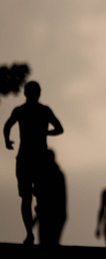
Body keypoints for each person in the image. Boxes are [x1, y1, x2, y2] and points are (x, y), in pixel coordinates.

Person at [3, 81, 64, 245]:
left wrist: (7, 141)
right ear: (38, 94)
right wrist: (45, 132)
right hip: (39, 159)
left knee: (27, 198)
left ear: (25, 93)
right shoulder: (44, 111)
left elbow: (7, 126)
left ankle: (30, 232)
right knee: (40, 199)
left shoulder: (21, 111)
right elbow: (59, 129)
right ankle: (33, 230)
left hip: (25, 158)